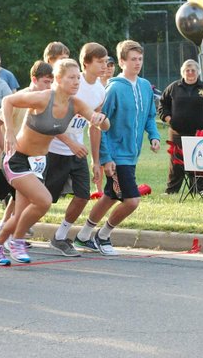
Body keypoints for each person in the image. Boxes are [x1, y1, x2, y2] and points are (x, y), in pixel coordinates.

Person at [0, 58, 110, 266]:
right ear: (58, 79)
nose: (76, 82)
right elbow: (8, 101)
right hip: (18, 159)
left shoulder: (76, 104)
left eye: (78, 78)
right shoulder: (43, 98)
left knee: (20, 214)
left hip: (38, 163)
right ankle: (16, 240)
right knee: (43, 201)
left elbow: (102, 124)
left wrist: (101, 120)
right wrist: (9, 133)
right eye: (71, 78)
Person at [73, 40, 160, 255]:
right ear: (121, 61)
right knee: (132, 201)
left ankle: (83, 236)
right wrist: (105, 157)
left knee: (110, 196)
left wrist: (154, 136)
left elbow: (149, 116)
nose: (137, 63)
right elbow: (99, 124)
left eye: (140, 59)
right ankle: (103, 236)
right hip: (116, 155)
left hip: (132, 154)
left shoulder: (144, 86)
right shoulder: (113, 89)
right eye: (132, 59)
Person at [0, 61, 54, 239]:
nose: (49, 86)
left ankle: (5, 227)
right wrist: (7, 148)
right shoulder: (20, 98)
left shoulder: (45, 101)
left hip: (25, 160)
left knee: (18, 197)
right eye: (45, 81)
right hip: (1, 157)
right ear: (34, 79)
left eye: (51, 82)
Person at [47, 43, 108, 257]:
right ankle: (7, 231)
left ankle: (60, 237)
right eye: (99, 61)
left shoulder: (101, 90)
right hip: (53, 150)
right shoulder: (72, 84)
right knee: (40, 199)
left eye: (106, 61)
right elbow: (49, 121)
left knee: (82, 196)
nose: (104, 65)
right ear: (86, 63)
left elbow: (95, 126)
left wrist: (96, 160)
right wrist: (69, 142)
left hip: (77, 151)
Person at [158, 59, 203, 195]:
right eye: (187, 70)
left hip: (199, 133)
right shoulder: (173, 87)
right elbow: (162, 105)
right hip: (177, 133)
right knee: (176, 162)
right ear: (183, 72)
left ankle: (199, 189)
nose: (190, 73)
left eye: (193, 70)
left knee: (199, 161)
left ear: (198, 72)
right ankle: (172, 190)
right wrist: (169, 119)